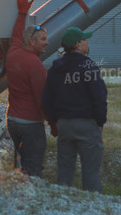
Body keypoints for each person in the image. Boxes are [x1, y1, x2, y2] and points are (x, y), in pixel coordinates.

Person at [42, 26, 107, 192]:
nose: (87, 42)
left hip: (64, 125)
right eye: (85, 39)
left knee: (64, 171)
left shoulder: (55, 68)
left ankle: (62, 206)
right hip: (86, 124)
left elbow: (47, 99)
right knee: (91, 172)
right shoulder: (88, 66)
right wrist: (100, 122)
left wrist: (55, 120)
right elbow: (99, 97)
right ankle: (94, 208)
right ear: (78, 44)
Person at [5, 0, 49, 177]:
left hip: (13, 121)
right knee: (32, 168)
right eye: (43, 39)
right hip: (30, 124)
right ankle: (33, 197)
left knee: (19, 164)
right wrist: (53, 124)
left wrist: (22, 13)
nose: (47, 42)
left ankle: (17, 194)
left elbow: (17, 34)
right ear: (31, 42)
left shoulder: (13, 52)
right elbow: (42, 100)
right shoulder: (36, 66)